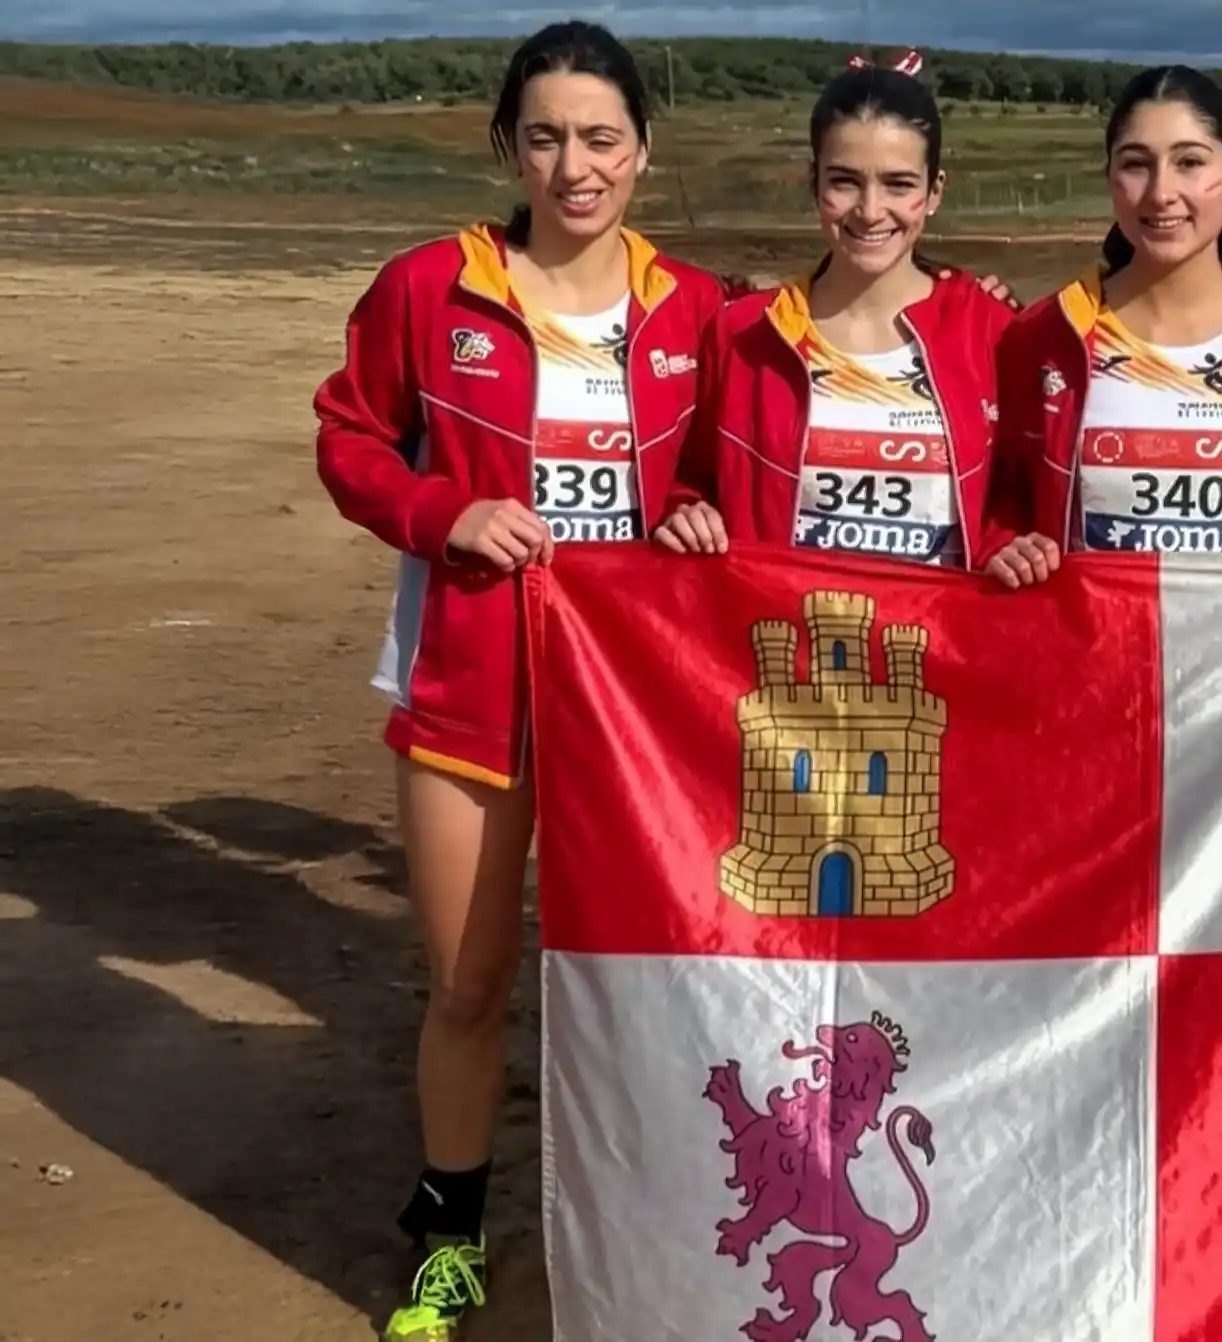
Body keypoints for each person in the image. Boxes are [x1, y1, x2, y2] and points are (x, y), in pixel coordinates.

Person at [311, 22, 724, 1340]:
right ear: (508, 147)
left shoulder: (700, 310)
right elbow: (349, 437)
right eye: (544, 137)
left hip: (641, 713)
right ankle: (448, 1237)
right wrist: (445, 513)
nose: (574, 166)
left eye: (600, 137)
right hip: (472, 688)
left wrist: (698, 509)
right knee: (470, 983)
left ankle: (673, 1231)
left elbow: (742, 458)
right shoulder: (430, 287)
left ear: (643, 148)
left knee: (660, 988)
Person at [983, 64, 1222, 586]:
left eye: (1189, 162)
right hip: (1091, 636)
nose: (1161, 192)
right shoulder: (1041, 335)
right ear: (1110, 177)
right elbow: (998, 500)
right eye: (1137, 165)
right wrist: (1003, 545)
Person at [655, 54, 1018, 566]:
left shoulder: (994, 329)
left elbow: (1018, 498)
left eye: (898, 184)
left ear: (934, 191)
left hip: (937, 619)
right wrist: (685, 511)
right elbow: (689, 482)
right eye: (845, 181)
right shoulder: (742, 334)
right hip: (784, 618)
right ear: (814, 182)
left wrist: (1007, 544)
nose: (870, 211)